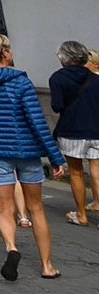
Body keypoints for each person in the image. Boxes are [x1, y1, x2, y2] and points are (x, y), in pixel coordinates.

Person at [0, 33, 66, 280]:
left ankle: (11, 247)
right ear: (5, 53)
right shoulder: (20, 83)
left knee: (5, 210)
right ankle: (47, 266)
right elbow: (37, 122)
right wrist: (55, 157)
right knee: (36, 208)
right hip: (26, 151)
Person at [49, 41, 99, 227]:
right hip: (96, 129)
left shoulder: (57, 78)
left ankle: (81, 214)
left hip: (71, 130)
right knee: (97, 171)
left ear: (63, 59)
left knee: (76, 173)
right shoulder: (95, 78)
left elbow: (57, 106)